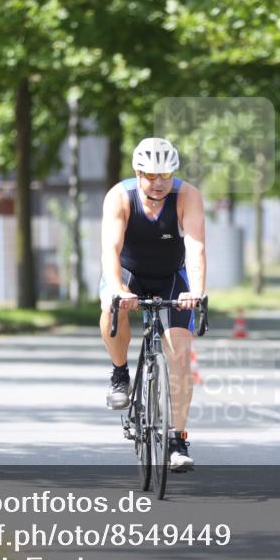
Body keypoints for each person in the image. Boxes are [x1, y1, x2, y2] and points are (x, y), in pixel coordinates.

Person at [99, 137, 206, 472]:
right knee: (110, 307)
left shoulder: (187, 196)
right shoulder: (120, 196)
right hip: (129, 273)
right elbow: (110, 250)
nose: (159, 183)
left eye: (165, 175)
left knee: (180, 355)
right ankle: (120, 374)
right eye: (150, 175)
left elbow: (196, 249)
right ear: (137, 172)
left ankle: (177, 439)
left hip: (170, 276)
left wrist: (198, 293)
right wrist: (118, 289)